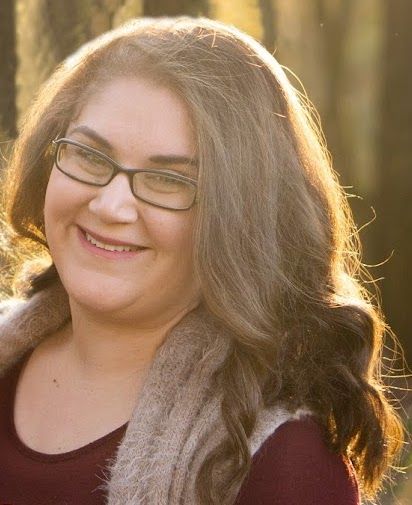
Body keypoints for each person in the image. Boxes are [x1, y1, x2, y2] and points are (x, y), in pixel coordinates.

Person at [0, 16, 404, 505]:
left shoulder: (284, 465)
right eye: (89, 155)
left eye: (169, 180)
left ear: (238, 220)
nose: (109, 206)